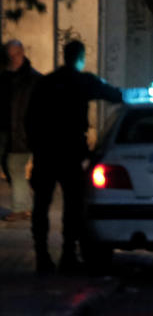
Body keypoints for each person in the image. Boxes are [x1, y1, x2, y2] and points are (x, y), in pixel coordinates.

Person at [25, 40, 123, 273]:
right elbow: (113, 94)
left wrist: (36, 147)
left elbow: (30, 119)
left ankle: (42, 255)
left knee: (41, 205)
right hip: (70, 153)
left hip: (46, 152)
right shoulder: (82, 81)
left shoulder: (45, 83)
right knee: (73, 206)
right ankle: (68, 254)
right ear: (80, 57)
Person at [0, 40, 41, 221]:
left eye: (16, 54)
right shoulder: (6, 76)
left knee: (14, 166)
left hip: (23, 132)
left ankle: (21, 208)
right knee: (10, 167)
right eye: (10, 55)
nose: (13, 58)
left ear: (22, 52)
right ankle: (25, 205)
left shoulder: (33, 79)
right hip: (8, 132)